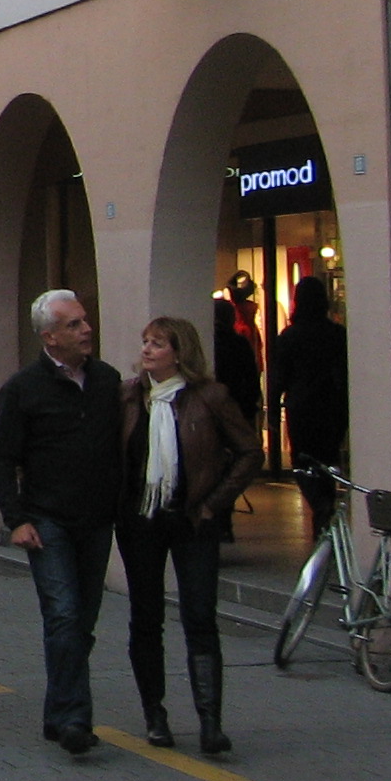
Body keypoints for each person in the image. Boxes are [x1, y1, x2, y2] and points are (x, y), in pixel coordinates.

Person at [0, 289, 125, 756]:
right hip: (48, 520)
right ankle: (74, 719)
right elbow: (2, 458)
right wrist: (16, 519)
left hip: (96, 518)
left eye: (85, 321)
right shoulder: (23, 389)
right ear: (49, 337)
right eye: (74, 325)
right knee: (63, 614)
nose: (86, 330)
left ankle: (58, 712)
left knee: (81, 621)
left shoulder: (106, 381)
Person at [120, 315, 260, 756]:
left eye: (158, 343)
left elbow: (249, 451)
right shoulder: (129, 397)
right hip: (141, 520)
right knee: (146, 617)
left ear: (180, 353)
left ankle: (210, 722)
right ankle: (155, 716)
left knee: (200, 616)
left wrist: (214, 503)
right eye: (145, 341)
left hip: (193, 520)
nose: (147, 350)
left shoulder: (209, 397)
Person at [273, 275, 347, 525]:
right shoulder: (337, 334)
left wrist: (274, 410)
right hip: (333, 405)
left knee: (302, 461)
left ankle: (318, 503)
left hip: (301, 406)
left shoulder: (289, 336)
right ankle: (325, 504)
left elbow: (279, 376)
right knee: (328, 458)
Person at [209, 297, 261, 470]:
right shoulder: (239, 343)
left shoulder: (209, 343)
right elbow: (251, 377)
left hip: (214, 407)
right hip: (238, 405)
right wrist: (250, 405)